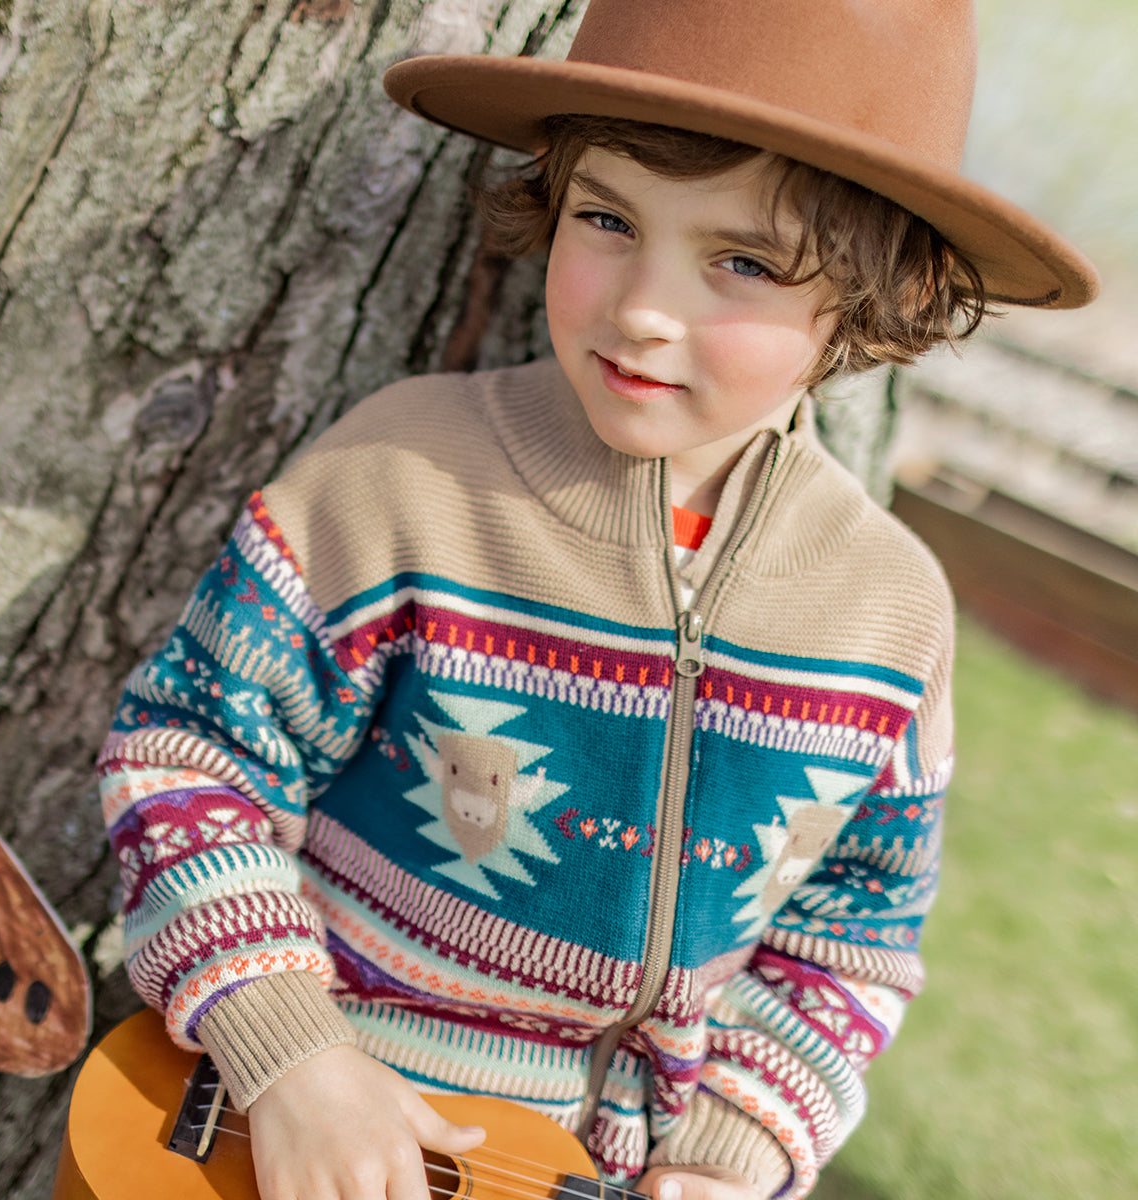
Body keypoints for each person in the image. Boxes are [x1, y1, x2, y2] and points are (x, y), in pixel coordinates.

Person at [99, 2, 1097, 1199]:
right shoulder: (401, 481)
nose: (641, 310)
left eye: (743, 261)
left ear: (879, 295)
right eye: (608, 220)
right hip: (309, 1136)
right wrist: (288, 1050)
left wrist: (735, 1154)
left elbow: (856, 930)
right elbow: (191, 755)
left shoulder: (887, 614)